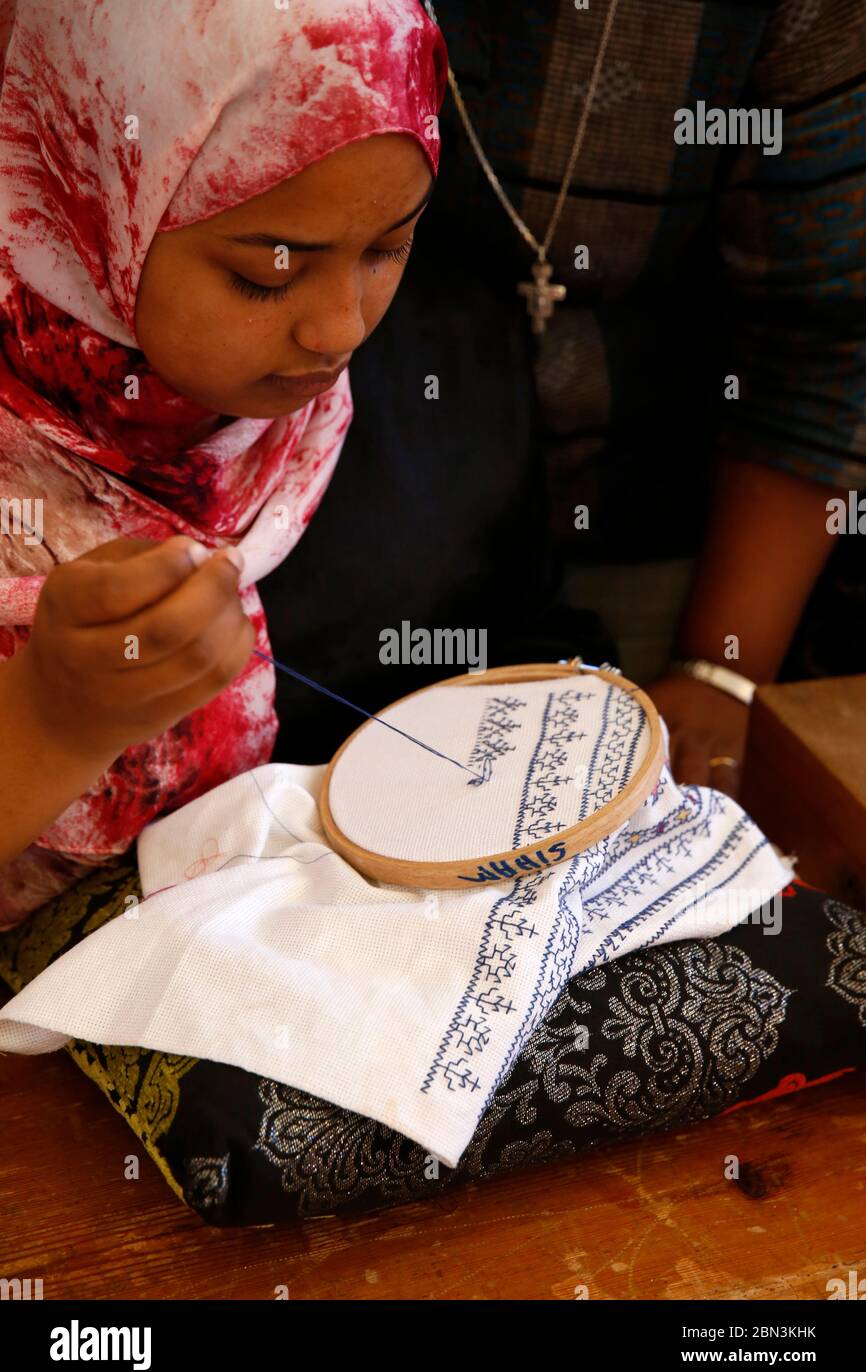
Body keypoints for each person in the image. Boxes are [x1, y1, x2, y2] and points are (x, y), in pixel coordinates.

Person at [259, 0, 866, 790]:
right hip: (323, 566)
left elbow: (825, 331)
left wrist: (720, 670)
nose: (335, 326)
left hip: (662, 540)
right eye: (265, 273)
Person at [0, 0, 446, 925]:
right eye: (268, 274)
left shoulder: (353, 424)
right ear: (95, 196)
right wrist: (48, 723)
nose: (340, 330)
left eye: (391, 247)